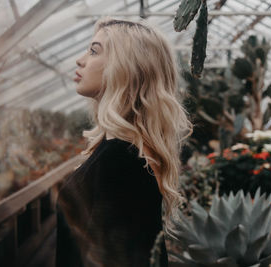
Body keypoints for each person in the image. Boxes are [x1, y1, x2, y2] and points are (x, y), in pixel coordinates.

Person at [55, 16, 192, 267]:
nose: (80, 60)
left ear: (126, 68)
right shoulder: (121, 151)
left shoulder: (121, 161)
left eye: (94, 51)